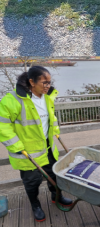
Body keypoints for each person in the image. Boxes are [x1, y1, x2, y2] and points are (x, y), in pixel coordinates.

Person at [0, 66, 72, 222]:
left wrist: (55, 130)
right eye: (44, 83)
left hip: (47, 147)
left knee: (54, 174)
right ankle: (36, 206)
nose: (48, 86)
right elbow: (3, 126)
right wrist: (16, 146)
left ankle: (56, 196)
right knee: (32, 182)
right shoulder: (12, 100)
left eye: (49, 82)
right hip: (27, 151)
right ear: (32, 82)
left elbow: (50, 117)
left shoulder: (47, 96)